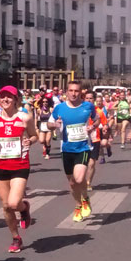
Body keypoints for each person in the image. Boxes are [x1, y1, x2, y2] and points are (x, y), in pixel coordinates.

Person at [0, 86, 38, 253]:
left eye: (9, 97)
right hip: (0, 165)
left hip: (20, 164)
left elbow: (34, 135)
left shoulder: (24, 118)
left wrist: (31, 141)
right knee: (6, 206)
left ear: (15, 99)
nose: (5, 100)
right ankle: (16, 237)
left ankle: (24, 208)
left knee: (14, 203)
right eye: (2, 97)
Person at [47, 81, 99, 222]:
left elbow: (97, 120)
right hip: (66, 149)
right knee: (72, 183)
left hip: (83, 147)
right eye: (71, 90)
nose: (74, 93)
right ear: (66, 92)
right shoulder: (59, 108)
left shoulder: (88, 106)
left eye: (76, 91)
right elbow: (49, 124)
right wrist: (54, 125)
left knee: (80, 178)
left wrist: (92, 126)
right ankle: (78, 205)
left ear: (80, 92)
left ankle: (85, 199)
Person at [85, 92, 108, 191]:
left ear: (93, 100)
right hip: (83, 140)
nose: (89, 100)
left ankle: (88, 182)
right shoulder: (80, 110)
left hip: (95, 139)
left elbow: (105, 124)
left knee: (91, 163)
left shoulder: (99, 112)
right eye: (87, 98)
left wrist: (105, 132)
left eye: (91, 98)